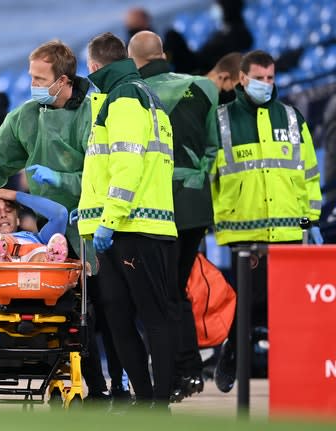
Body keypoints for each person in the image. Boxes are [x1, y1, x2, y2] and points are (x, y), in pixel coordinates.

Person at [0, 40, 113, 401]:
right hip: (54, 232)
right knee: (78, 316)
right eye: (31, 76)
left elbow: (106, 175)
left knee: (109, 313)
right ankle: (95, 390)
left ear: (63, 81)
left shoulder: (97, 112)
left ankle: (125, 388)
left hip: (98, 226)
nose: (32, 84)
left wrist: (61, 180)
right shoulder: (26, 117)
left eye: (39, 78)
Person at [210, 50, 323, 393]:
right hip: (243, 226)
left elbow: (308, 173)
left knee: (287, 307)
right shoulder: (221, 119)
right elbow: (210, 175)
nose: (266, 84)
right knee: (247, 301)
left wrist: (310, 220)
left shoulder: (291, 117)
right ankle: (232, 353)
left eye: (271, 78)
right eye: (259, 78)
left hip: (288, 226)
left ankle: (291, 376)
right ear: (242, 79)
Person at [78, 32, 178, 408]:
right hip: (126, 228)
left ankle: (159, 403)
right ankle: (147, 400)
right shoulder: (136, 96)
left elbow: (128, 164)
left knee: (150, 318)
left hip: (135, 228)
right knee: (121, 320)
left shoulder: (124, 98)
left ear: (92, 66)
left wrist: (109, 218)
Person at [128, 30, 220, 402]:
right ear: (163, 54)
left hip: (160, 206)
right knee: (176, 290)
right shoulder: (204, 87)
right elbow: (215, 146)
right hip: (198, 203)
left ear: (134, 61)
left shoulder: (133, 94)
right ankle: (189, 370)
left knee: (162, 295)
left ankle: (177, 373)